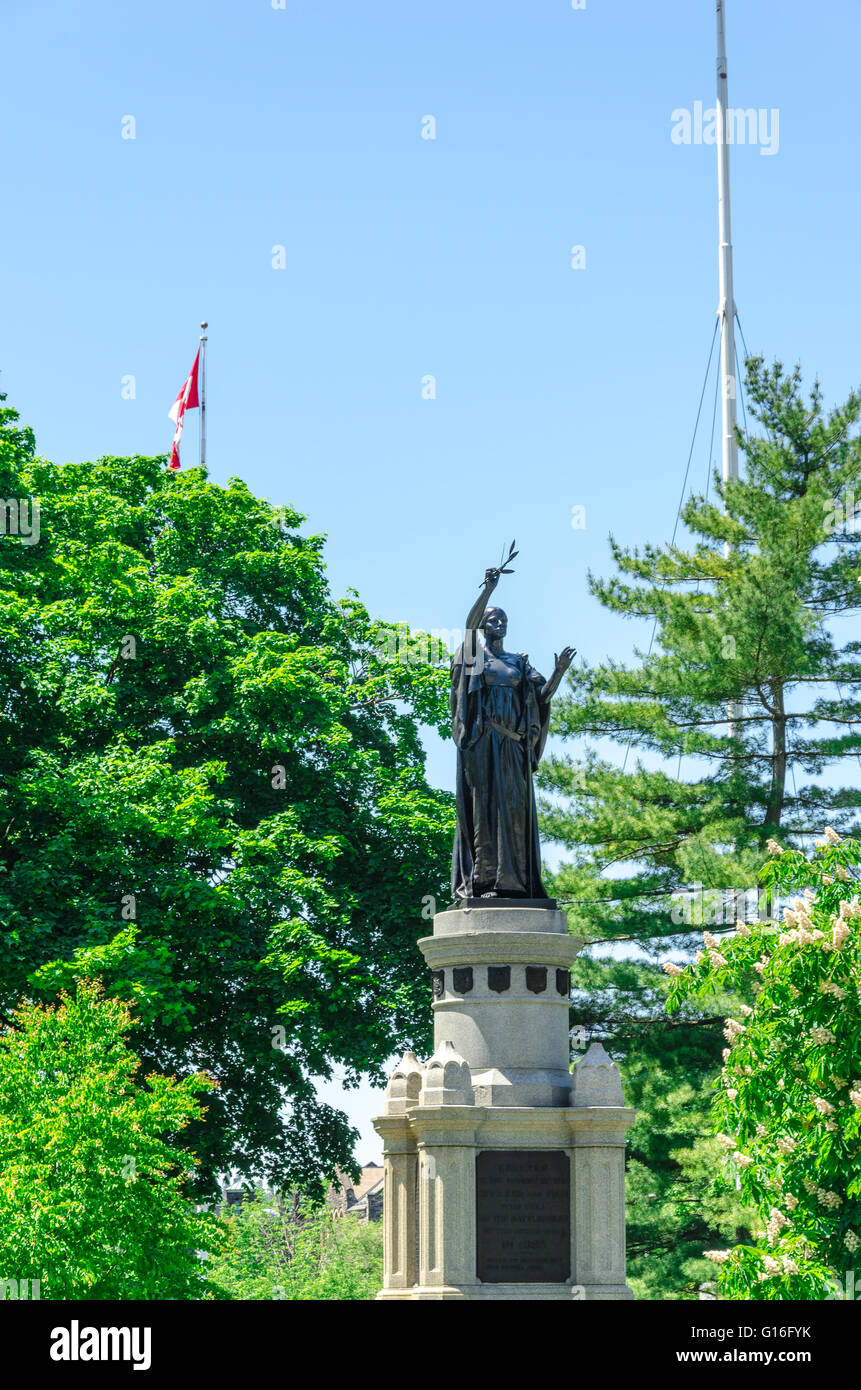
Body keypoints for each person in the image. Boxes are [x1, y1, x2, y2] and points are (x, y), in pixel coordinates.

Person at [450, 560, 575, 901]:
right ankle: (485, 884)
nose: (499, 623)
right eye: (494, 619)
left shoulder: (519, 662)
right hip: (482, 743)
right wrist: (489, 589)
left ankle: (515, 884)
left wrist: (559, 672)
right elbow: (467, 627)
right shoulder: (474, 656)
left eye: (503, 619)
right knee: (485, 811)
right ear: (485, 626)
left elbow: (541, 696)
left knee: (515, 813)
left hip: (513, 747)